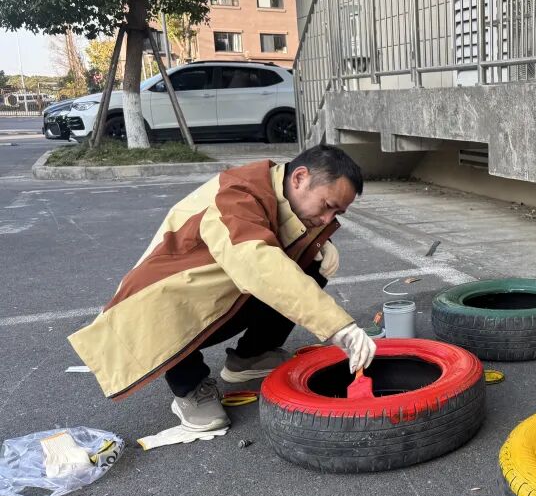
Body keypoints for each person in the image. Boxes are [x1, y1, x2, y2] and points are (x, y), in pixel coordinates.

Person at [70, 144, 377, 430]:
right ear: (299, 178)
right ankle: (189, 387)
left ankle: (250, 357)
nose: (327, 219)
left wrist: (314, 245)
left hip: (217, 292)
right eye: (327, 206)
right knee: (185, 298)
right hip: (158, 303)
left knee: (313, 263)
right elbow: (258, 263)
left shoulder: (275, 186)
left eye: (336, 214)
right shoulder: (236, 194)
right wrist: (339, 327)